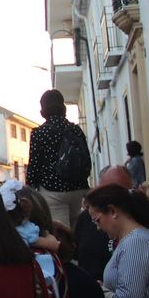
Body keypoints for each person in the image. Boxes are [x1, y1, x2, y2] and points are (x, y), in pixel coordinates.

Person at [26, 89, 92, 227]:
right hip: (78, 187)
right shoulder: (76, 130)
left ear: (43, 109)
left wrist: (30, 191)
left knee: (62, 235)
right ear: (63, 107)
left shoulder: (40, 133)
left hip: (53, 190)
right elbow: (86, 157)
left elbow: (34, 165)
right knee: (77, 230)